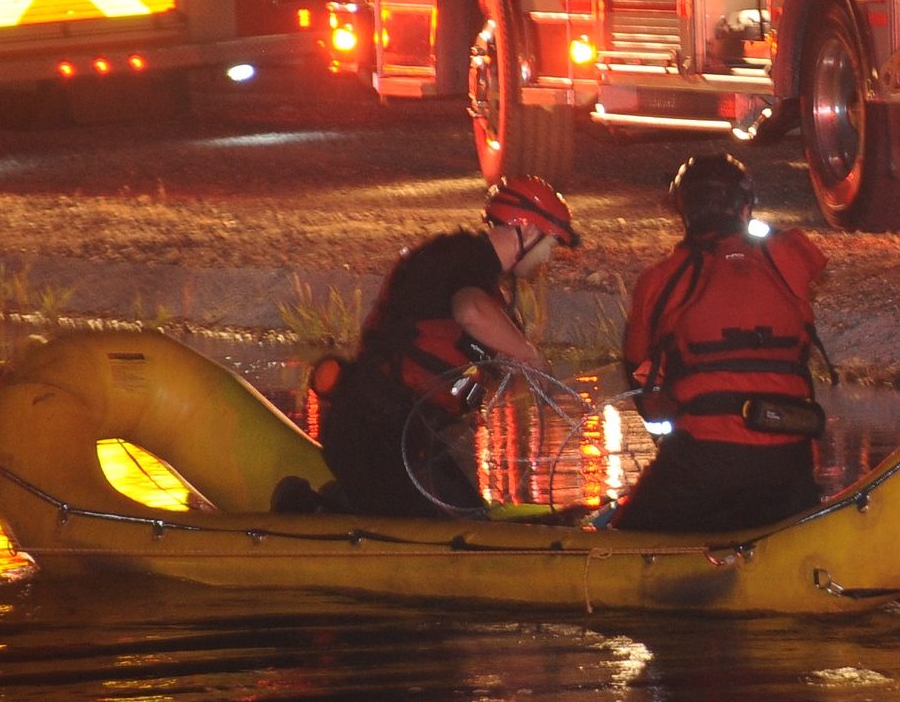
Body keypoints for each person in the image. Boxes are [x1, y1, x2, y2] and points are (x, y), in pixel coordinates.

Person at [317, 175, 579, 516]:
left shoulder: (477, 276)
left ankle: (340, 503)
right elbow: (470, 312)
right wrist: (530, 355)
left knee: (470, 514)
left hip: (407, 434)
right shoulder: (464, 261)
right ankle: (309, 509)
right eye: (550, 244)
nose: (548, 257)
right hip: (374, 431)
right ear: (527, 230)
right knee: (446, 529)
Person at [613, 154, 829, 533]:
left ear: (684, 211)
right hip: (789, 463)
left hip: (703, 462)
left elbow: (645, 393)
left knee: (625, 534)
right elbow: (806, 253)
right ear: (745, 207)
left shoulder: (661, 280)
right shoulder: (789, 261)